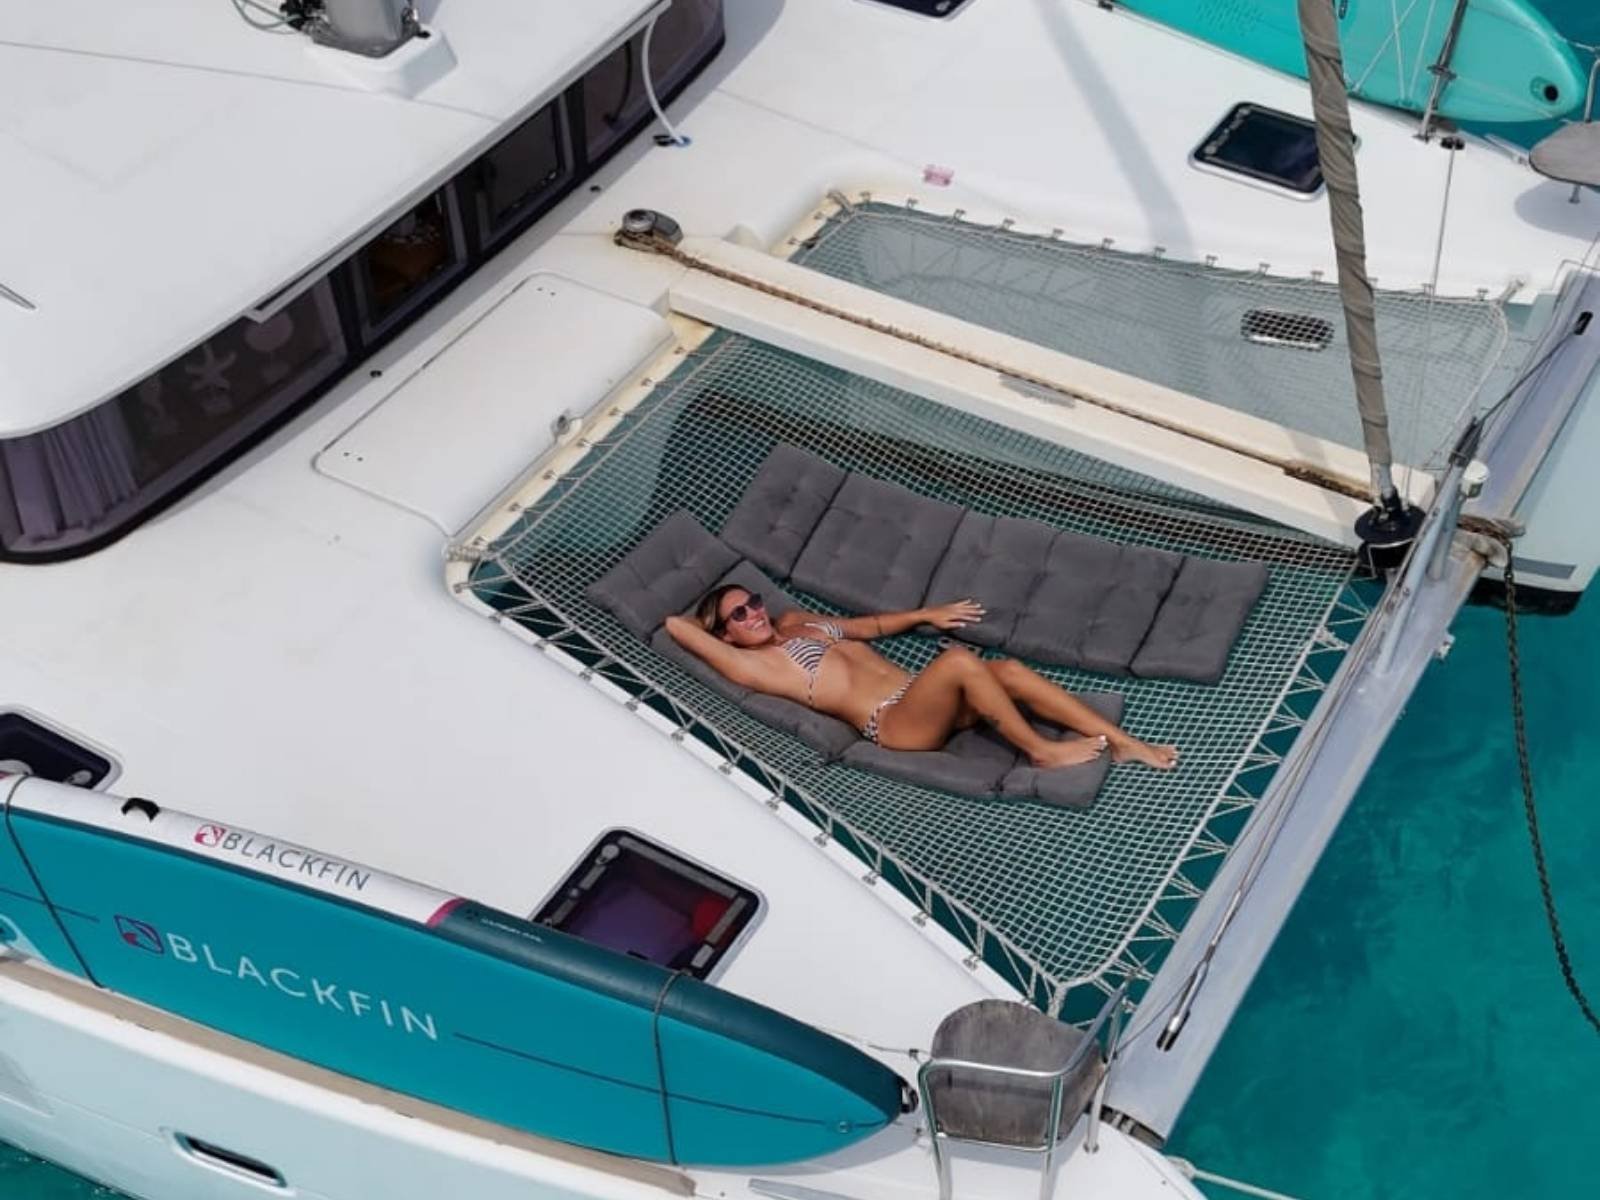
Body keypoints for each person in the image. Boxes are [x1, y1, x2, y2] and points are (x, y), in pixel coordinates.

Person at [663, 585, 1178, 770]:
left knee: (1009, 671)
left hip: (922, 699)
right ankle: (1041, 752)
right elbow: (676, 626)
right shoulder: (754, 665)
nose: (754, 613)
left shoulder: (797, 622)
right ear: (726, 635)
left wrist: (928, 614)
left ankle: (1123, 742)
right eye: (738, 615)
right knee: (957, 663)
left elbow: (869, 627)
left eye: (753, 602)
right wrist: (710, 628)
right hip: (894, 725)